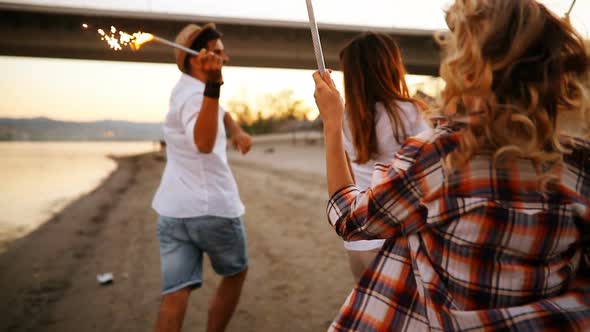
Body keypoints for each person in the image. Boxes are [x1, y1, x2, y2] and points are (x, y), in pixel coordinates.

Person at [313, 0, 590, 330]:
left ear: (470, 68)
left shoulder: (442, 156)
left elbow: (350, 219)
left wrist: (332, 123)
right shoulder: (580, 164)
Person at [152, 23, 252, 332]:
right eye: (219, 52)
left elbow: (220, 111)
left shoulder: (185, 88)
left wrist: (235, 131)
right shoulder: (198, 95)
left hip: (172, 212)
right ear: (198, 57)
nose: (226, 57)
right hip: (212, 211)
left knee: (175, 294)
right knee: (236, 273)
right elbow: (204, 144)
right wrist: (214, 83)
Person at [338, 32, 430, 280]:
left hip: (358, 239)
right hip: (395, 236)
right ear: (389, 66)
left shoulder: (345, 118)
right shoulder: (410, 111)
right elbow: (430, 171)